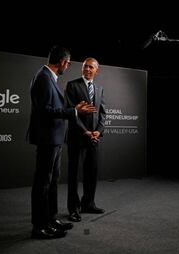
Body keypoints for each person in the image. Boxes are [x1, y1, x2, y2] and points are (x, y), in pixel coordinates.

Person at [28, 46, 96, 239]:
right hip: (47, 139)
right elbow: (45, 111)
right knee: (42, 183)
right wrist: (74, 111)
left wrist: (73, 110)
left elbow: (52, 108)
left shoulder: (48, 77)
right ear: (63, 62)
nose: (67, 66)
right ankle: (39, 226)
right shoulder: (43, 77)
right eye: (68, 63)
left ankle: (51, 219)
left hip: (54, 139)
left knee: (52, 181)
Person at [65, 58, 106, 222]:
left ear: (97, 70)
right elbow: (70, 112)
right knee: (74, 175)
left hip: (94, 139)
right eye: (85, 67)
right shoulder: (72, 85)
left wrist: (98, 131)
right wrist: (86, 132)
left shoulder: (99, 88)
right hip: (77, 138)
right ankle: (73, 209)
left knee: (92, 172)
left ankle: (88, 203)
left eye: (91, 67)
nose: (87, 69)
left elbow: (103, 113)